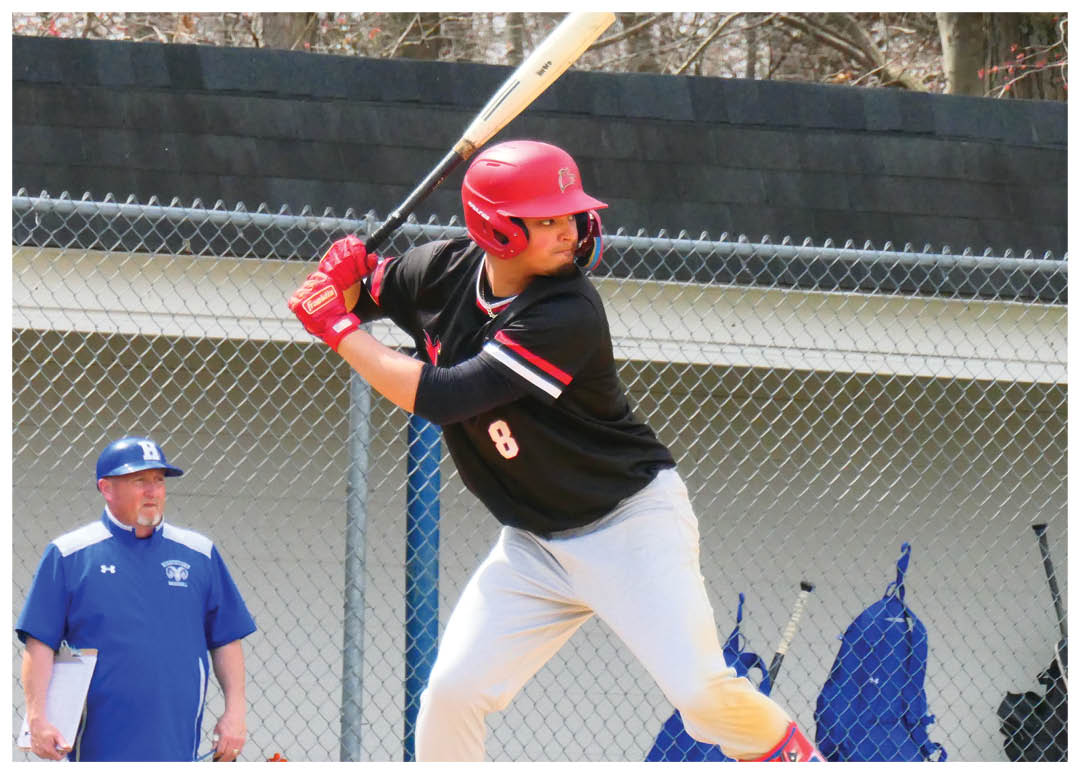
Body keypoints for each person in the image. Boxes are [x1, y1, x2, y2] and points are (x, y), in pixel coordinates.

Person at [288, 139, 822, 762]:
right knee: (453, 694)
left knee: (702, 694)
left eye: (571, 215)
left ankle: (797, 760)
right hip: (535, 542)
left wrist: (338, 328)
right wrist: (339, 280)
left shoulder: (567, 310)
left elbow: (444, 397)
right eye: (548, 219)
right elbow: (361, 293)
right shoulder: (439, 271)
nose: (569, 230)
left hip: (627, 524)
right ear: (496, 227)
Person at [16, 436, 257, 762]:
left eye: (158, 481)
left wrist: (236, 713)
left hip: (177, 743)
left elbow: (226, 638)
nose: (152, 491)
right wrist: (36, 718)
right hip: (99, 746)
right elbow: (40, 642)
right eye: (139, 480)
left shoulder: (199, 553)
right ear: (106, 488)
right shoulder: (70, 554)